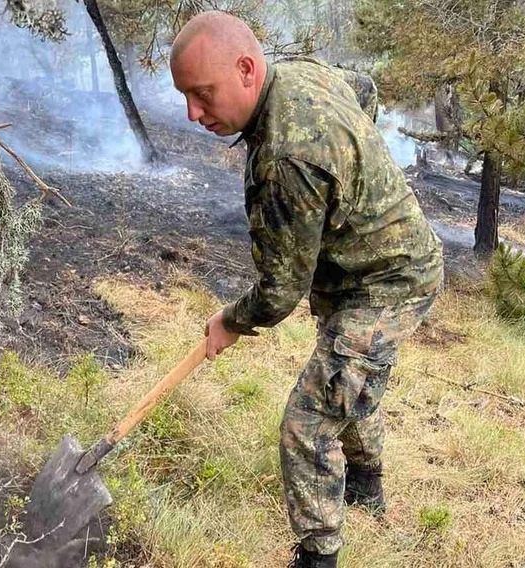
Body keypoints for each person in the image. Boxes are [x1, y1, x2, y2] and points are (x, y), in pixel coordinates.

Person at [170, 11, 444, 568]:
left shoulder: (287, 158)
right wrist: (355, 176)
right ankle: (367, 486)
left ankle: (319, 556)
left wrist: (228, 321)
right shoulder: (295, 75)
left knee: (308, 424)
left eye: (203, 94)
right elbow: (362, 90)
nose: (193, 113)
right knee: (345, 382)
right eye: (186, 97)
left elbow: (278, 292)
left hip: (391, 282)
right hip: (359, 273)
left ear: (247, 69)